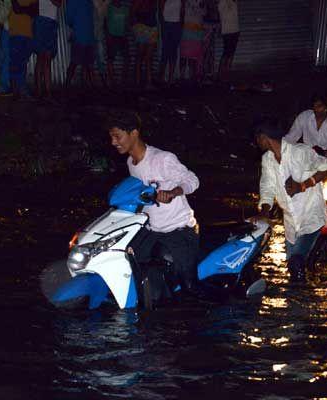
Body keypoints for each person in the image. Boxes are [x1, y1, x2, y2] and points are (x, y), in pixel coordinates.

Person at [107, 110, 201, 291]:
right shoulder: (130, 163)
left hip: (179, 230)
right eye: (111, 137)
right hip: (151, 229)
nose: (113, 142)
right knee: (129, 262)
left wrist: (173, 192)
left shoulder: (162, 159)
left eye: (117, 136)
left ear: (134, 133)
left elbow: (192, 180)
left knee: (189, 288)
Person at [253, 118, 327, 281]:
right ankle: (305, 298)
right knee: (294, 266)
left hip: (311, 216)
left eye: (257, 138)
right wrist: (265, 212)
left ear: (263, 137)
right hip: (290, 222)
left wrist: (303, 185)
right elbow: (267, 188)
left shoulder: (300, 152)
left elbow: (326, 167)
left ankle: (299, 299)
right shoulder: (267, 159)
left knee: (295, 264)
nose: (257, 143)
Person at [284, 93, 327, 163]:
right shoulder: (304, 116)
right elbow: (291, 137)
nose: (316, 109)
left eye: (319, 106)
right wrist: (280, 147)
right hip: (308, 156)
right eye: (314, 106)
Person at [8, 0, 37, 98]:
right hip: (15, 31)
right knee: (14, 62)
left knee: (23, 62)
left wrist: (23, 9)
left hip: (28, 32)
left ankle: (20, 89)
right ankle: (14, 90)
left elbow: (36, 11)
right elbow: (16, 9)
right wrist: (28, 9)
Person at [33, 0, 61, 99]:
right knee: (40, 57)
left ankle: (48, 92)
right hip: (41, 20)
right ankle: (39, 91)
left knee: (48, 59)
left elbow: (59, 3)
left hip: (52, 22)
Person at [66, 0, 96, 90]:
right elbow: (69, 19)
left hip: (85, 35)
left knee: (85, 63)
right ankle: (67, 86)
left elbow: (69, 19)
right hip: (82, 35)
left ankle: (87, 88)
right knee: (77, 62)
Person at [130, 0, 159, 88]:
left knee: (148, 57)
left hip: (152, 28)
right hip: (141, 27)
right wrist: (135, 28)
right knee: (140, 56)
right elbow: (132, 13)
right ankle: (138, 81)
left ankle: (148, 82)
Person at [105, 0, 130, 87]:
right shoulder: (109, 8)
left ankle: (123, 80)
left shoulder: (125, 9)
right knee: (110, 58)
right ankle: (112, 80)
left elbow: (127, 23)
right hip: (112, 36)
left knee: (127, 58)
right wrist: (107, 35)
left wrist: (127, 34)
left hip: (122, 36)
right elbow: (105, 21)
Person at [179, 0, 205, 83]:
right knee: (184, 55)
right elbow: (181, 13)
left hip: (197, 31)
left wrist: (202, 6)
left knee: (193, 57)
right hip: (187, 30)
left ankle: (191, 78)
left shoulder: (202, 1)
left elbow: (204, 14)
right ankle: (181, 77)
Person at [159, 0, 184, 84]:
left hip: (176, 25)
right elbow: (160, 10)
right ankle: (162, 77)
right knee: (165, 51)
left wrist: (180, 24)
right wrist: (163, 25)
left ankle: (170, 77)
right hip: (166, 24)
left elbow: (182, 10)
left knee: (173, 51)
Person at [217, 0, 238, 83]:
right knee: (226, 53)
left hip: (235, 30)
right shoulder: (222, 2)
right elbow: (220, 16)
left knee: (231, 54)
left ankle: (227, 74)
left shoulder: (234, 2)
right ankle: (220, 74)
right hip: (227, 31)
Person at [93, 0, 111, 87]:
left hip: (99, 33)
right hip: (89, 32)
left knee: (101, 56)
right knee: (88, 58)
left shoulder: (107, 2)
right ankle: (88, 82)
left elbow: (107, 18)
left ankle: (104, 79)